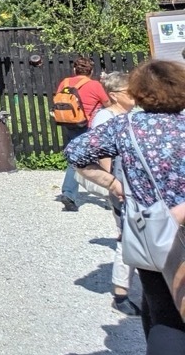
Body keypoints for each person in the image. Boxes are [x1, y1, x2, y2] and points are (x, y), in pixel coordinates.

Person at [65, 60, 185, 338]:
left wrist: (112, 182)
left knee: (162, 313)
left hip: (152, 228)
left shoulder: (125, 126)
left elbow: (75, 153)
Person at [75, 70, 140, 316]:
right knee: (127, 236)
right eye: (129, 91)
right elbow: (101, 154)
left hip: (132, 185)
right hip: (121, 185)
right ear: (114, 95)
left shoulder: (130, 114)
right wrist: (111, 184)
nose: (134, 95)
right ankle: (121, 294)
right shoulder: (106, 117)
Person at [57, 57, 111, 212]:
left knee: (75, 158)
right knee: (100, 159)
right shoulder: (94, 85)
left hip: (69, 124)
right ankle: (109, 196)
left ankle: (69, 193)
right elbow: (108, 103)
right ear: (91, 71)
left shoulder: (65, 82)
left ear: (74, 70)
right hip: (87, 126)